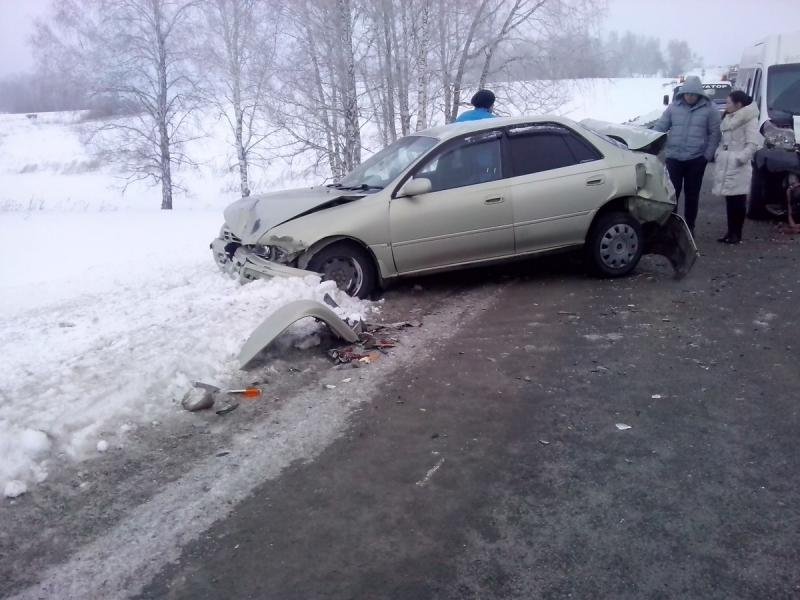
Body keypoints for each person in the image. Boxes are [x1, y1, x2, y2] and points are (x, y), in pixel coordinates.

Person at [652, 76, 721, 233]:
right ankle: (671, 227)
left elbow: (715, 134)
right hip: (674, 158)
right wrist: (648, 141)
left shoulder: (710, 109)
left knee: (692, 195)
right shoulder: (673, 108)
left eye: (693, 94)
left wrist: (707, 156)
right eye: (687, 93)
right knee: (671, 194)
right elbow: (660, 127)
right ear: (683, 93)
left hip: (696, 160)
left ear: (699, 94)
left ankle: (689, 227)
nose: (689, 96)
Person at [712, 90, 763, 244]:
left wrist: (740, 158)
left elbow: (753, 143)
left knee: (738, 200)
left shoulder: (749, 119)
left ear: (738, 104)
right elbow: (723, 141)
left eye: (728, 103)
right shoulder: (728, 118)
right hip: (727, 162)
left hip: (738, 164)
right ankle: (730, 232)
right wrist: (719, 153)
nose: (726, 106)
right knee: (730, 199)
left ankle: (736, 234)